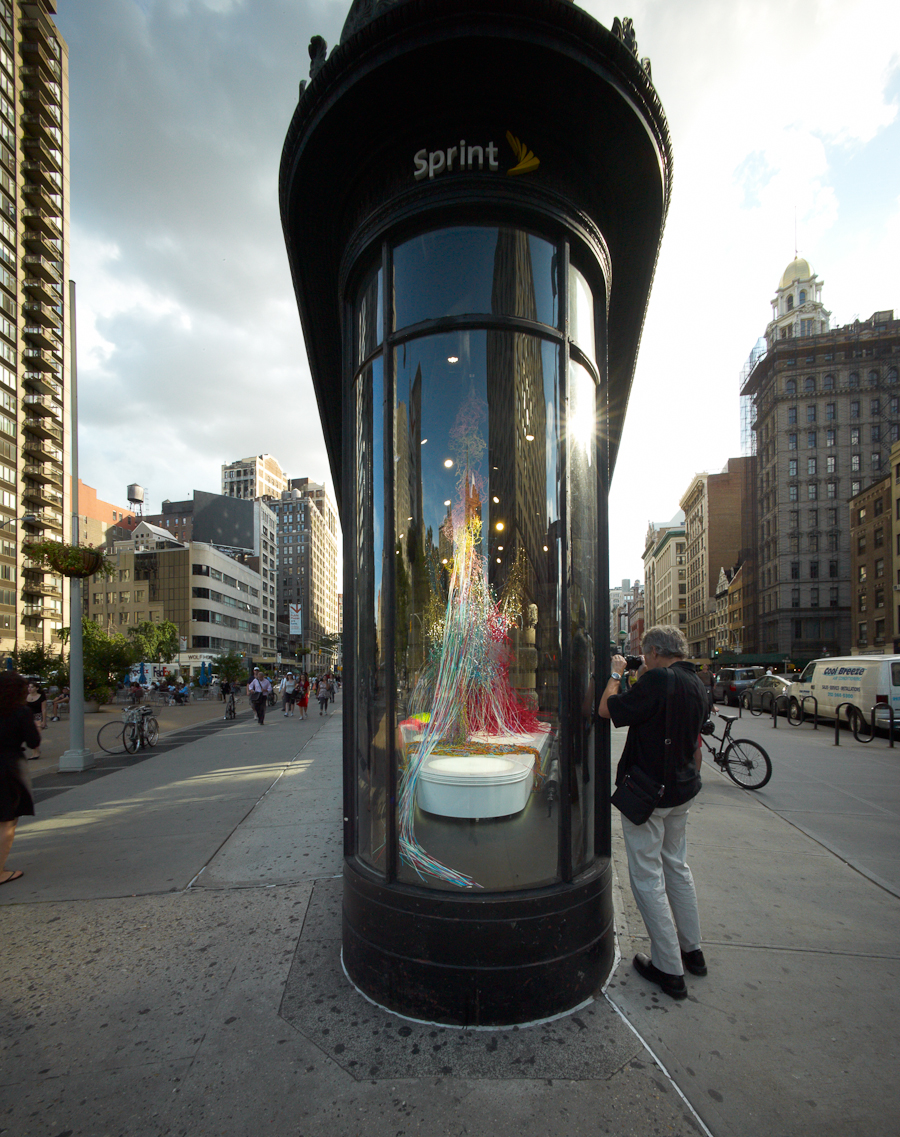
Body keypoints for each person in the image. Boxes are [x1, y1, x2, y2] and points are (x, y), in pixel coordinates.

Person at [597, 624, 708, 1001]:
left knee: (647, 877)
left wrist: (616, 673)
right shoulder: (695, 681)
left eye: (644, 654)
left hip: (649, 795)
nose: (641, 659)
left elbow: (606, 709)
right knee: (677, 867)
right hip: (682, 790)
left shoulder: (659, 680)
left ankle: (668, 968)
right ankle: (692, 952)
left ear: (657, 652)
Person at [0, 671, 41, 885]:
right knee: (7, 820)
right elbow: (33, 742)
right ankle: (0, 871)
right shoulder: (20, 712)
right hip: (8, 766)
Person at [25, 681, 47, 760]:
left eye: (32, 687)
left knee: (36, 734)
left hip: (38, 717)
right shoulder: (26, 696)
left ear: (37, 688)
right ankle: (35, 752)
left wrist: (44, 721)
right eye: (29, 687)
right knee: (30, 735)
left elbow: (43, 709)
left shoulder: (41, 697)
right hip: (28, 717)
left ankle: (36, 753)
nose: (29, 689)